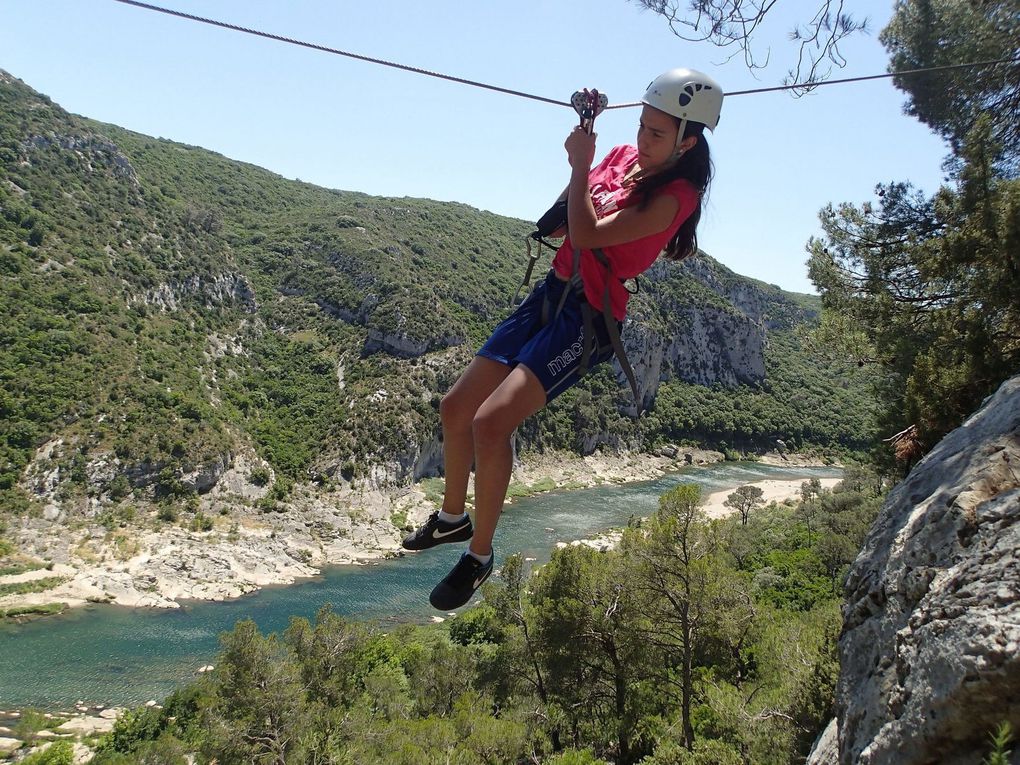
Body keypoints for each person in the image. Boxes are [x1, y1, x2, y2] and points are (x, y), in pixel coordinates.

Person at [402, 68, 723, 610]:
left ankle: (479, 557)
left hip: (589, 316)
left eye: (657, 135)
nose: (643, 141)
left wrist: (578, 165)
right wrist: (587, 140)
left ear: (687, 142)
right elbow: (566, 220)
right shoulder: (624, 157)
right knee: (456, 405)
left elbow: (588, 232)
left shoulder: (676, 196)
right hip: (554, 291)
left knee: (489, 421)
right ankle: (453, 519)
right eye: (642, 126)